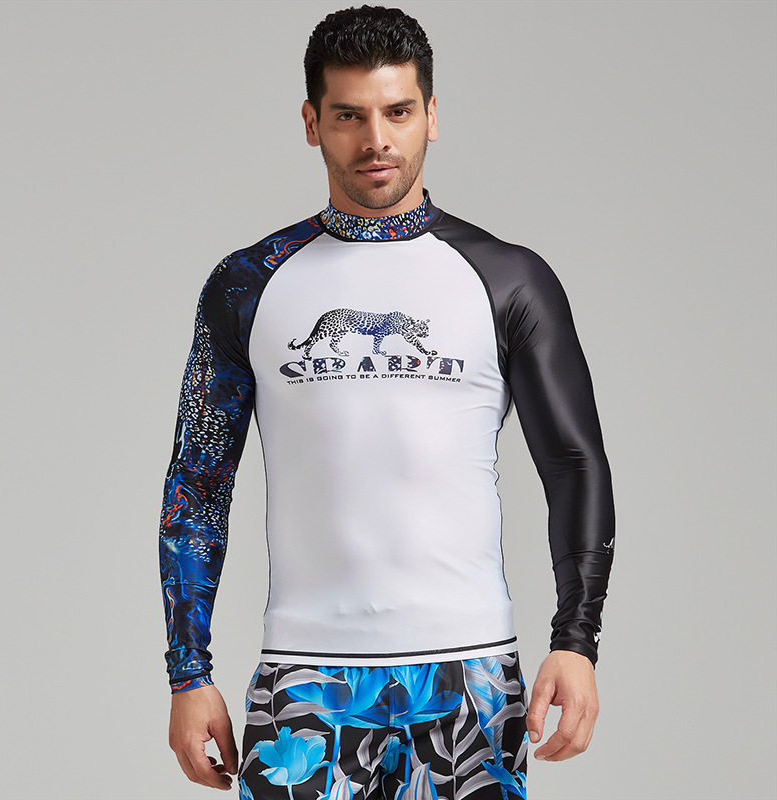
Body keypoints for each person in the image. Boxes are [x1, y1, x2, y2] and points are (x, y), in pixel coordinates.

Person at [159, 5, 615, 798]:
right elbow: (197, 485)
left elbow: (575, 465)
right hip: (306, 680)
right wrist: (187, 673)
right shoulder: (247, 284)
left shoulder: (509, 279)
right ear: (312, 123)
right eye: (349, 116)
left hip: (470, 679)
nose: (377, 140)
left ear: (431, 115)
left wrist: (576, 641)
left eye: (398, 112)